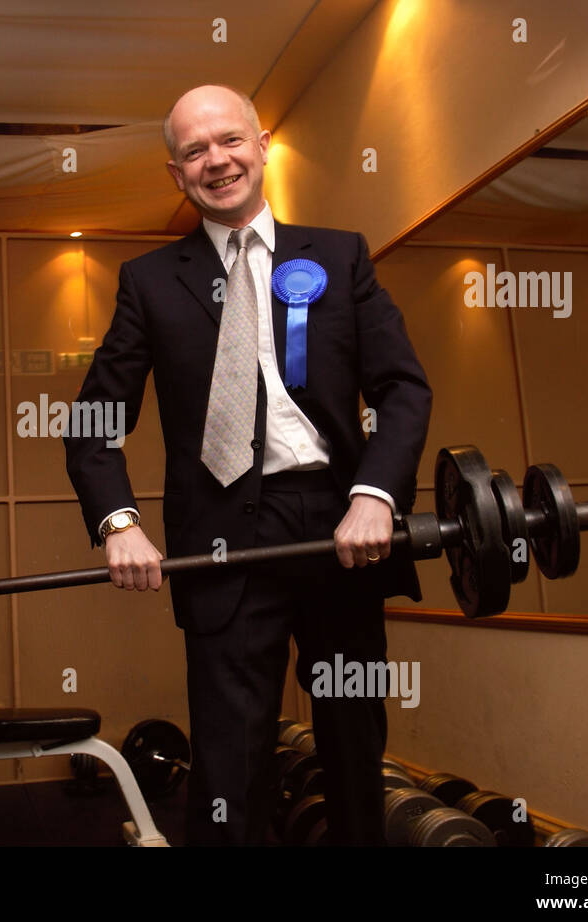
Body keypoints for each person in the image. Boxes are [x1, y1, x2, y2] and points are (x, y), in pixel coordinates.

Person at [64, 85, 432, 845]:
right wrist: (118, 521)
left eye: (229, 140)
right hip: (222, 543)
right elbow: (94, 420)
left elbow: (403, 388)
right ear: (176, 174)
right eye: (195, 151)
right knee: (229, 769)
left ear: (262, 144)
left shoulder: (340, 254)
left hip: (344, 532)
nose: (216, 160)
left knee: (356, 755)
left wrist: (376, 497)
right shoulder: (148, 281)